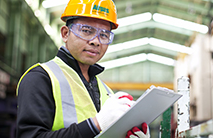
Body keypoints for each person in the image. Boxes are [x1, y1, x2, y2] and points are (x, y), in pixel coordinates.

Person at [16, 0, 150, 137]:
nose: (96, 41)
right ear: (65, 34)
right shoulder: (41, 78)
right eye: (86, 31)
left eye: (104, 35)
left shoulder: (106, 92)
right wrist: (95, 124)